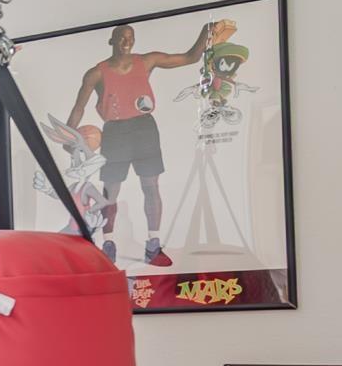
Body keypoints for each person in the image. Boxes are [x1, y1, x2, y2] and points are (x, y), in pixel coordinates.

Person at [65, 18, 234, 264]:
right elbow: (78, 108)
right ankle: (108, 243)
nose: (126, 41)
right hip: (114, 132)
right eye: (122, 37)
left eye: (130, 37)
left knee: (151, 187)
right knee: (110, 191)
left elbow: (190, 57)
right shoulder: (96, 73)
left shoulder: (146, 61)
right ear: (112, 41)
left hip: (144, 128)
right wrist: (69, 136)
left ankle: (153, 244)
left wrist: (205, 31)